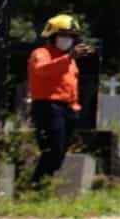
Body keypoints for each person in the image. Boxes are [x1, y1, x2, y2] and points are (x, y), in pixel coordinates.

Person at [28, 14, 94, 185]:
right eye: (63, 35)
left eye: (71, 36)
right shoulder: (41, 53)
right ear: (52, 35)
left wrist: (75, 108)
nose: (67, 40)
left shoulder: (71, 61)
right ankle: (35, 185)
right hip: (48, 106)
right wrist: (69, 57)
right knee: (53, 149)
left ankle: (42, 186)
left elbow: (70, 86)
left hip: (67, 109)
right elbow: (42, 70)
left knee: (61, 152)